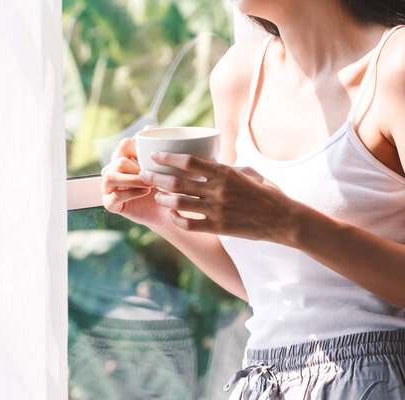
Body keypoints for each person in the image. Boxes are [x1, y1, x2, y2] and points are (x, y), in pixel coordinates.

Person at [100, 0, 405, 398]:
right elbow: (271, 287)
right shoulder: (238, 76)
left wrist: (285, 221)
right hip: (263, 379)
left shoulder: (395, 68)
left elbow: (285, 231)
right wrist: (159, 214)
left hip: (379, 377)